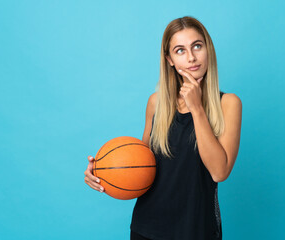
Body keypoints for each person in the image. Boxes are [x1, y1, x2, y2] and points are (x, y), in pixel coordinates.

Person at [84, 16, 242, 240]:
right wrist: (101, 173)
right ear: (169, 59)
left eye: (197, 46)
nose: (191, 57)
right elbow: (141, 165)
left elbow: (219, 172)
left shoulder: (228, 103)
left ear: (208, 49)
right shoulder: (156, 103)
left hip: (196, 229)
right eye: (180, 50)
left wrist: (197, 109)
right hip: (146, 228)